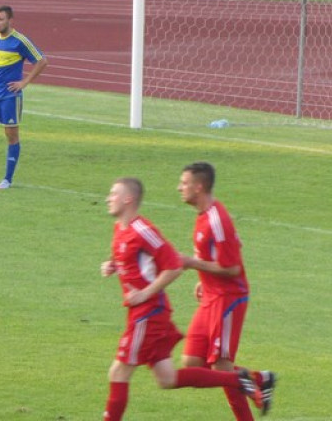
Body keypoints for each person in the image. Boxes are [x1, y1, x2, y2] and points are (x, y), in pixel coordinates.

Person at [100, 177, 273, 420]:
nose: (108, 198)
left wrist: (145, 294)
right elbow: (130, 254)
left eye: (113, 193)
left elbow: (172, 265)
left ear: (128, 199)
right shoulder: (121, 227)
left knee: (118, 372)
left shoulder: (144, 230)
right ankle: (241, 378)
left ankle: (241, 380)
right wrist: (114, 264)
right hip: (144, 313)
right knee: (167, 379)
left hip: (148, 314)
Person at [177, 162, 276, 419]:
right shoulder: (206, 215)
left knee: (222, 367)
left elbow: (232, 268)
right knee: (191, 364)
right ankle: (258, 380)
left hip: (228, 299)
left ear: (199, 187)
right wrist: (204, 276)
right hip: (211, 297)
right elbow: (229, 248)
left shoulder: (216, 219)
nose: (180, 188)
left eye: (184, 183)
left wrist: (192, 263)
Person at [0, 6, 47, 189]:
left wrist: (24, 82)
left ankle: (7, 179)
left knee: (11, 135)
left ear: (10, 20)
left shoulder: (19, 41)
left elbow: (42, 60)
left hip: (9, 96)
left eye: (1, 20)